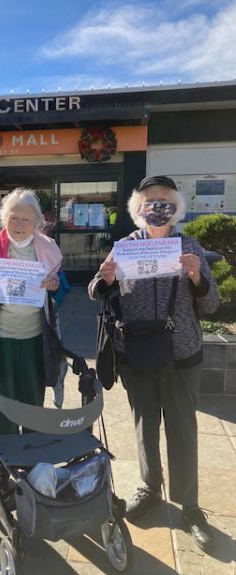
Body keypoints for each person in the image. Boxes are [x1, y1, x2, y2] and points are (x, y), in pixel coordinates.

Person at [88, 175, 219, 553]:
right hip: (138, 353)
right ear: (138, 209)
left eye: (164, 201)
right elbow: (95, 292)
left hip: (182, 354)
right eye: (149, 201)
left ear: (175, 207)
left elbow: (210, 305)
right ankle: (150, 487)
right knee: (144, 422)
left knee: (182, 428)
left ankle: (190, 507)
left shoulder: (189, 246)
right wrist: (105, 277)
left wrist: (196, 276)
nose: (157, 207)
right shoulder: (125, 247)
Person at [0, 188, 70, 435]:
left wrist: (55, 285)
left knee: (32, 403)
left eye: (26, 219)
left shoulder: (47, 248)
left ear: (37, 222)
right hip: (0, 339)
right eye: (14, 217)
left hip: (35, 339)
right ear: (4, 219)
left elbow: (63, 289)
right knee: (3, 402)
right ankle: (4, 459)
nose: (19, 224)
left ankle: (31, 457)